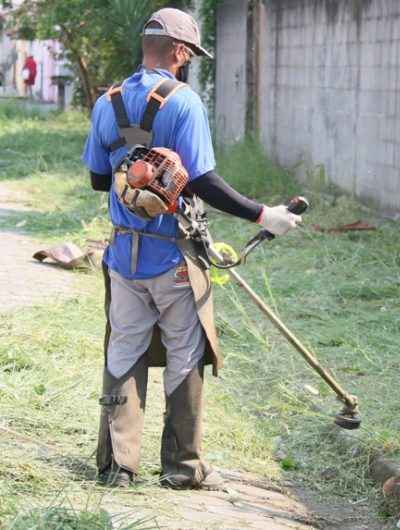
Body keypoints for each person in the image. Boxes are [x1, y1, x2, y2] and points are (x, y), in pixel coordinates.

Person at [82, 8, 301, 490]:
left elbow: (101, 179)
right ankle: (182, 468)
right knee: (184, 350)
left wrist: (134, 165)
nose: (186, 63)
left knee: (124, 350)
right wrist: (264, 214)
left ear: (146, 45)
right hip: (172, 256)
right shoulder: (184, 102)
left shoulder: (107, 103)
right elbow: (202, 180)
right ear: (179, 52)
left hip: (123, 256)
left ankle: (116, 466)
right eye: (187, 55)